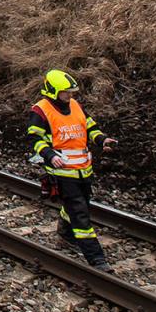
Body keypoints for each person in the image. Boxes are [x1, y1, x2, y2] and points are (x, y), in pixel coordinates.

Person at [28, 69, 116, 271]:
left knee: (79, 205)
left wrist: (102, 140)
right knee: (80, 214)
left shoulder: (75, 106)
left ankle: (66, 235)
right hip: (62, 173)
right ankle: (97, 259)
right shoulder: (41, 110)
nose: (70, 96)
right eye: (66, 93)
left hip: (84, 170)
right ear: (53, 91)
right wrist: (49, 155)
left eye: (71, 92)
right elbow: (34, 138)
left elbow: (90, 127)